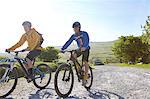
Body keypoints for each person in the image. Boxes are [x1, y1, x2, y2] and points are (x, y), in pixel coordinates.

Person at [61, 21, 90, 86]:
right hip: (80, 49)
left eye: (76, 27)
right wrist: (63, 48)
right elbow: (68, 42)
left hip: (86, 49)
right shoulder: (74, 36)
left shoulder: (84, 33)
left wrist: (85, 47)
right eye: (74, 28)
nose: (75, 29)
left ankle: (85, 78)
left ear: (79, 27)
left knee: (85, 62)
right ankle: (79, 70)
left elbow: (87, 40)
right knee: (73, 55)